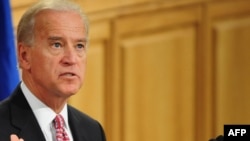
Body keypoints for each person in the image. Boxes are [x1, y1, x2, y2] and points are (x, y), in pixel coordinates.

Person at [0, 0, 106, 141]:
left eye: (79, 46)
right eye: (57, 45)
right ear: (24, 56)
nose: (72, 59)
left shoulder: (92, 130)